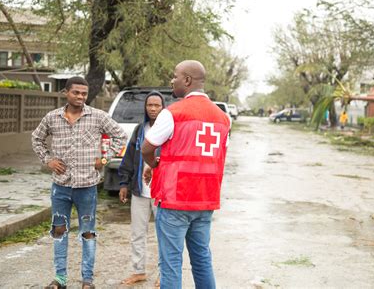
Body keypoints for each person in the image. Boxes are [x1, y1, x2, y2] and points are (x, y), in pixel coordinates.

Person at [141, 60, 231, 289]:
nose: (173, 80)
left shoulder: (172, 113)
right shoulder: (223, 118)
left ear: (187, 80)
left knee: (171, 262)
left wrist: (154, 164)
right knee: (202, 259)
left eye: (175, 75)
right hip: (205, 200)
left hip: (174, 199)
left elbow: (147, 148)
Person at [31, 77, 127, 289]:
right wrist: (48, 160)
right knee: (59, 230)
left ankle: (87, 280)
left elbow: (120, 137)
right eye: (76, 93)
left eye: (84, 94)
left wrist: (104, 159)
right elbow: (36, 138)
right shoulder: (52, 118)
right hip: (61, 187)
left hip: (87, 187)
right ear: (66, 92)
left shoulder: (97, 117)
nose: (81, 97)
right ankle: (60, 279)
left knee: (88, 232)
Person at [118, 91, 165, 285]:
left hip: (161, 192)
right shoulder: (140, 130)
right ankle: (139, 271)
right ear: (145, 108)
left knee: (164, 235)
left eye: (157, 105)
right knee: (138, 233)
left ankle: (164, 274)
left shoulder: (168, 129)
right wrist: (123, 183)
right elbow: (129, 157)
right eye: (150, 105)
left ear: (163, 108)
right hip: (139, 191)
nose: (153, 109)